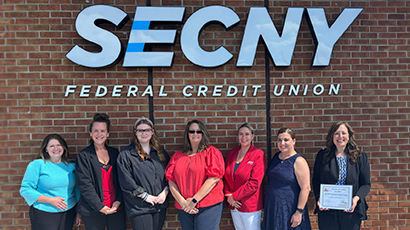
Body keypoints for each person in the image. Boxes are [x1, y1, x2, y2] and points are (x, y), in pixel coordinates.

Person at [165, 119, 225, 230]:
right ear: (187, 134)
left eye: (199, 131)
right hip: (184, 207)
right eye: (192, 131)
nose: (195, 134)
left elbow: (214, 178)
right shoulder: (178, 156)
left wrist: (194, 201)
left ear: (203, 134)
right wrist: (183, 203)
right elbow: (171, 181)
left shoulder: (211, 152)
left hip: (208, 205)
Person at [312, 121, 371, 230]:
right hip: (328, 210)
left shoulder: (360, 157)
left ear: (349, 136)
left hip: (351, 210)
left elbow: (366, 184)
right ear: (332, 136)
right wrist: (319, 198)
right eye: (336, 133)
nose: (340, 137)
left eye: (343, 133)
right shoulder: (323, 155)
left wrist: (356, 199)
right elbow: (316, 180)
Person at [117, 117, 170, 230]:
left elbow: (170, 175)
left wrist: (165, 192)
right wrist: (145, 196)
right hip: (139, 206)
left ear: (152, 132)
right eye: (140, 130)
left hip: (159, 204)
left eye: (147, 130)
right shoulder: (126, 155)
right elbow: (126, 181)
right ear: (135, 133)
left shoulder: (160, 153)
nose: (144, 133)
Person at [20, 133, 81, 230]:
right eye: (51, 146)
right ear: (46, 149)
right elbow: (25, 189)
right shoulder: (37, 165)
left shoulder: (71, 166)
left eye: (58, 145)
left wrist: (79, 211)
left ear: (64, 147)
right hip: (44, 213)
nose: (56, 148)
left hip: (69, 213)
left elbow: (77, 189)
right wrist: (50, 200)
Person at [76, 113, 126, 230]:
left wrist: (118, 201)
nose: (99, 134)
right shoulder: (84, 156)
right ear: (90, 133)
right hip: (93, 210)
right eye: (96, 131)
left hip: (115, 208)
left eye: (102, 131)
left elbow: (121, 180)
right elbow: (85, 185)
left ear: (108, 134)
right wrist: (100, 207)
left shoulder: (114, 153)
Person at [263, 128, 311, 230]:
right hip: (273, 207)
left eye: (286, 140)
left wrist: (299, 211)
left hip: (289, 207)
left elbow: (305, 188)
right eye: (279, 140)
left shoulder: (299, 161)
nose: (282, 143)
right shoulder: (276, 157)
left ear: (294, 141)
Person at [224, 123, 266, 230]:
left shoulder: (258, 154)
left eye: (247, 134)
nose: (244, 137)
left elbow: (254, 183)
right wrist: (228, 196)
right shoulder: (231, 154)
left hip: (250, 206)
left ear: (252, 136)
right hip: (234, 205)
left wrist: (234, 196)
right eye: (241, 134)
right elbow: (225, 177)